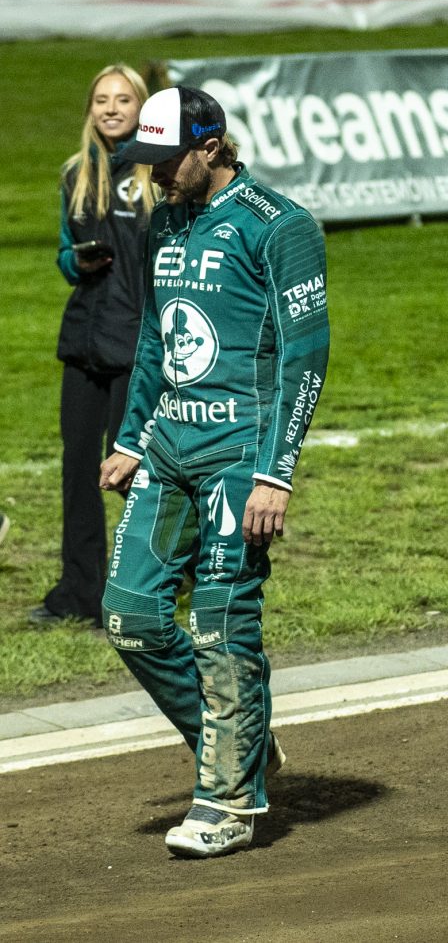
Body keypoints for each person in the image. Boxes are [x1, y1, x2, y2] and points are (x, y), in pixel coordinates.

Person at [98, 85, 329, 857]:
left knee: (222, 624)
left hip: (240, 455)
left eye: (167, 161)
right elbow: (156, 338)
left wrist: (276, 472)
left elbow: (305, 357)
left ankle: (229, 800)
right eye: (147, 162)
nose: (156, 175)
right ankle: (242, 742)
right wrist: (133, 438)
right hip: (168, 449)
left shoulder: (280, 227)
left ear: (211, 146)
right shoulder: (165, 220)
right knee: (129, 614)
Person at [30, 65, 155, 627]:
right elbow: (63, 252)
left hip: (137, 344)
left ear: (141, 108)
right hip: (83, 339)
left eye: (123, 99)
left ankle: (151, 585)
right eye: (101, 99)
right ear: (90, 109)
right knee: (78, 468)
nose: (111, 108)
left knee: (130, 471)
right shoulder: (75, 173)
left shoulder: (158, 174)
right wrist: (74, 261)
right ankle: (80, 592)